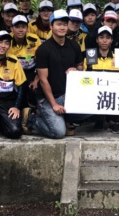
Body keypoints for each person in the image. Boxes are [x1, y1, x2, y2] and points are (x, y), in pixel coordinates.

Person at [30, 9, 84, 139]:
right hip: (48, 98)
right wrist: (54, 104)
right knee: (58, 132)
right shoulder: (43, 50)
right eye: (59, 24)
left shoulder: (74, 45)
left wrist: (76, 70)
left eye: (65, 24)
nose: (62, 27)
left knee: (91, 109)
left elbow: (81, 67)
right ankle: (32, 119)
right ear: (51, 26)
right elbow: (43, 80)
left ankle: (67, 119)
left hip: (68, 95)